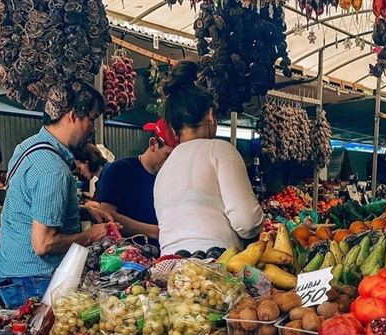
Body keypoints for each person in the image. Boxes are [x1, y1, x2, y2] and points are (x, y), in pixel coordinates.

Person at [0, 82, 114, 308]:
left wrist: (82, 211)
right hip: (33, 280)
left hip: (11, 271)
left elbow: (33, 207)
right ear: (72, 116)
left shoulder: (28, 148)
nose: (92, 128)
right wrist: (91, 236)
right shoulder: (52, 171)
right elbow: (44, 244)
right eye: (92, 118)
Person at [153, 61, 264, 255]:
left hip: (169, 270)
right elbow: (247, 222)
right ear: (210, 115)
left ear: (173, 127)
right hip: (214, 267)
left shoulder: (164, 168)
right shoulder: (220, 150)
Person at [97, 119, 176, 241]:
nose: (172, 162)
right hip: (126, 254)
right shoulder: (120, 170)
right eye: (168, 155)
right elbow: (106, 213)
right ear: (153, 144)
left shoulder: (173, 178)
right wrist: (154, 231)